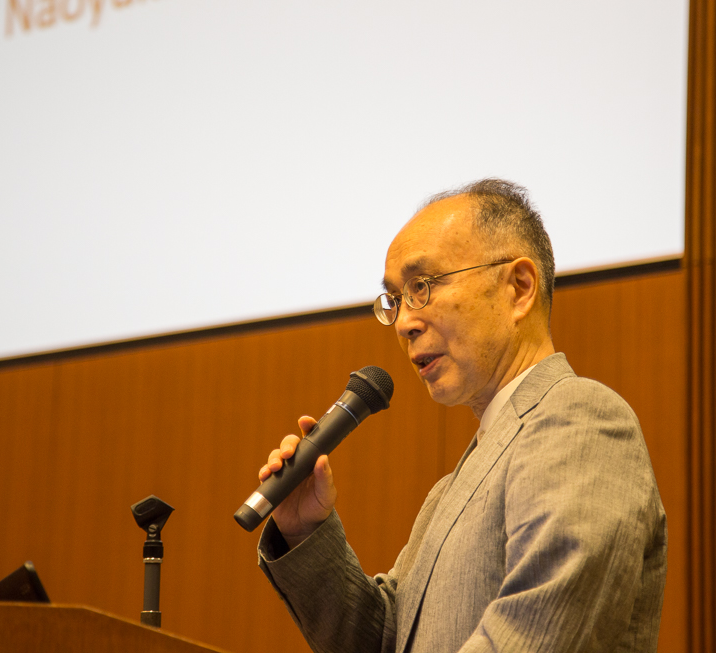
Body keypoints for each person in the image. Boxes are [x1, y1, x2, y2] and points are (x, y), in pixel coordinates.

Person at [254, 179, 667, 653]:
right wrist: (305, 529)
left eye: (423, 286)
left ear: (519, 288)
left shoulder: (581, 419)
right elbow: (387, 640)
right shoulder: (449, 491)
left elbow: (537, 633)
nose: (404, 323)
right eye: (395, 299)